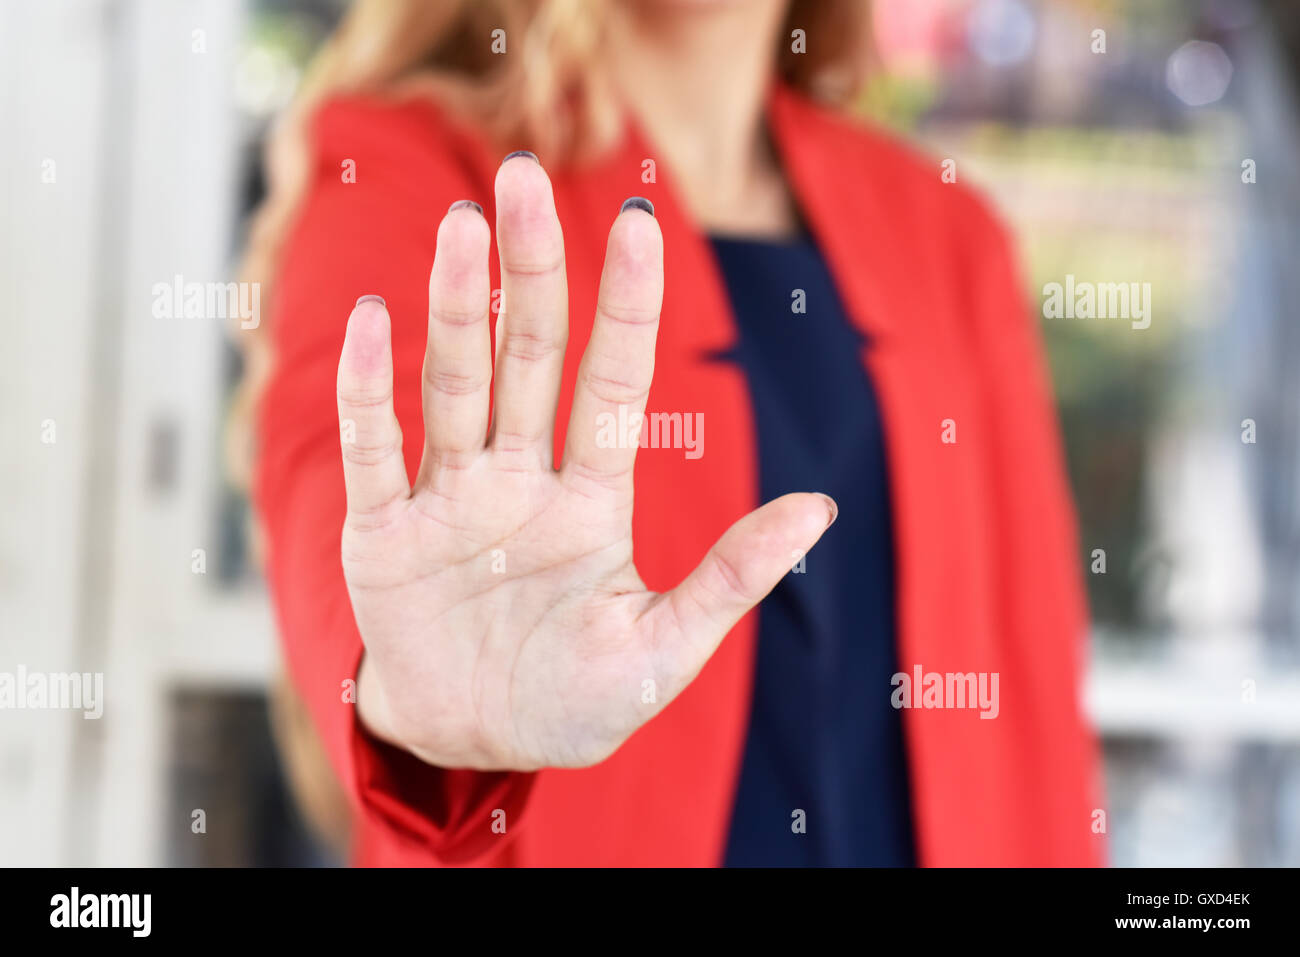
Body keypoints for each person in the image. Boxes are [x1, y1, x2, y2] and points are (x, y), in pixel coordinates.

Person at [239, 0, 1104, 866]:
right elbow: (334, 475)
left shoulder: (949, 235)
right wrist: (408, 707)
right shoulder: (408, 163)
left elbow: (1031, 677)